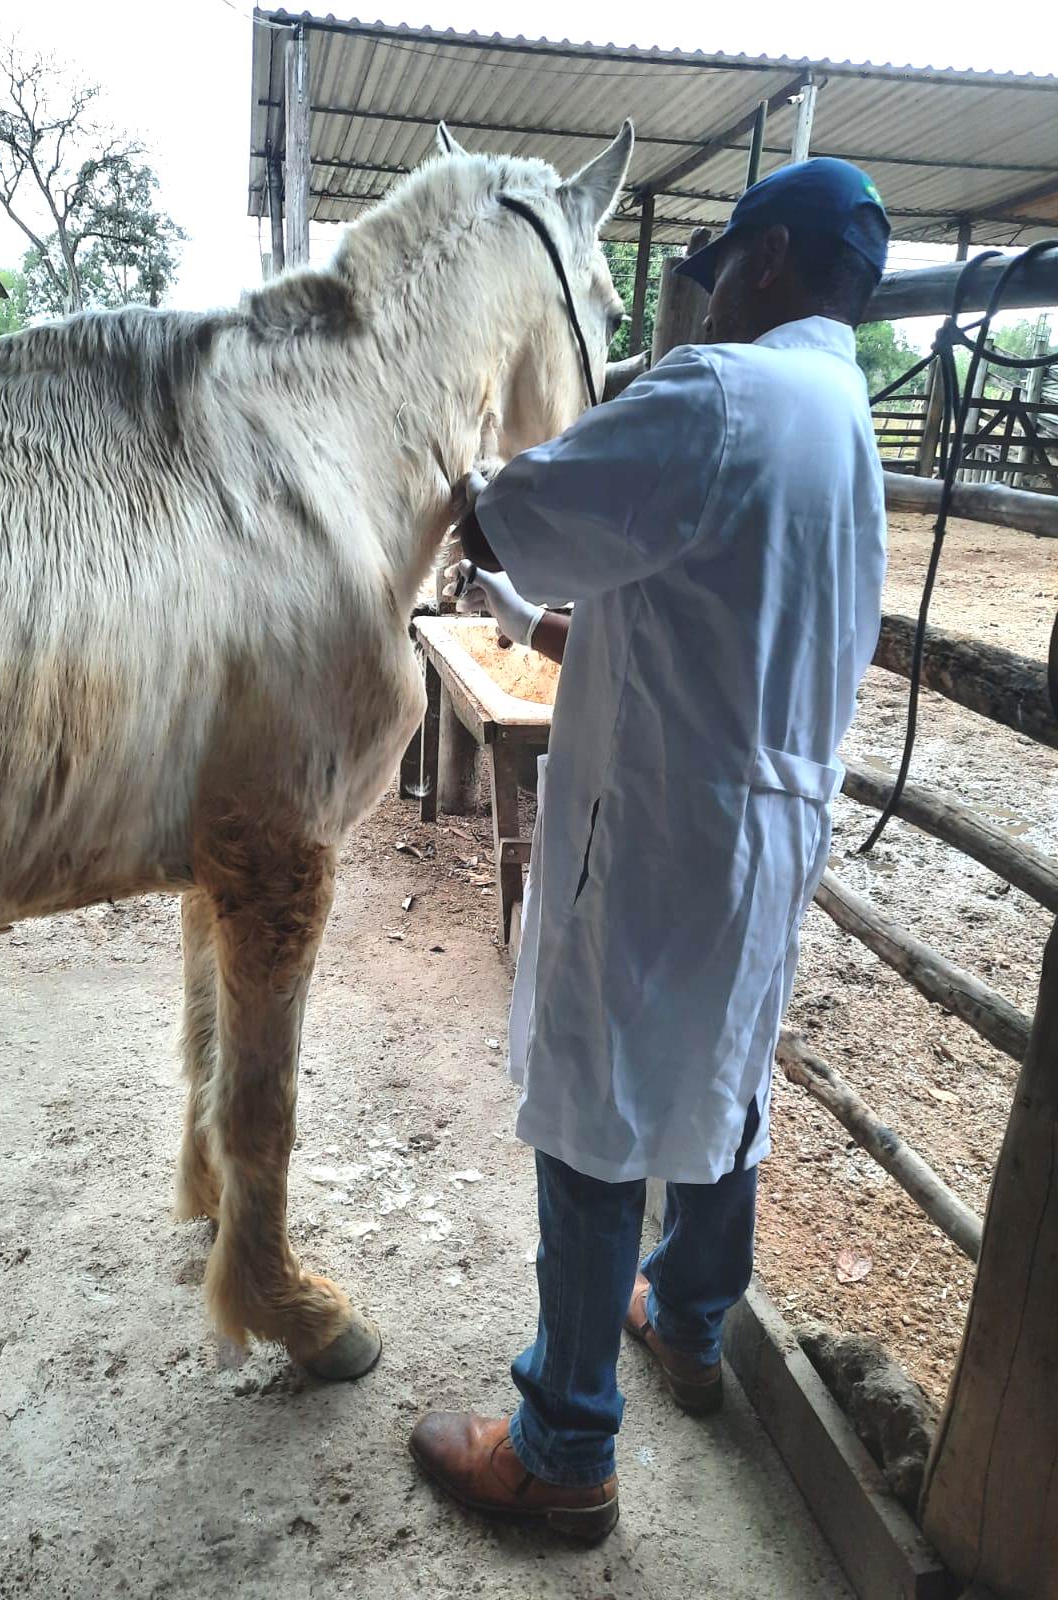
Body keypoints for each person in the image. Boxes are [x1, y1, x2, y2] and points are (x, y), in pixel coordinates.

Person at [408, 158, 892, 1542]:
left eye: (728, 265)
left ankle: (564, 1449)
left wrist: (466, 474)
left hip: (671, 826)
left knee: (599, 1109)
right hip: (762, 818)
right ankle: (688, 1321)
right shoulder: (840, 415)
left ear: (777, 262)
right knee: (724, 1076)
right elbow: (710, 607)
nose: (713, 291)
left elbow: (511, 515)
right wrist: (542, 619)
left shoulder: (719, 391)